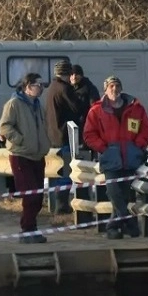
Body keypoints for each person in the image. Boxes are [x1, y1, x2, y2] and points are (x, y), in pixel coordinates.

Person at [83, 75, 148, 239]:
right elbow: (89, 134)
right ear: (105, 89)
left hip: (131, 158)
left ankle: (115, 227)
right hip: (110, 159)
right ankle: (127, 223)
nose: (114, 89)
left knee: (126, 194)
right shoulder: (96, 110)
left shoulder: (136, 108)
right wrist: (104, 148)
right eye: (111, 86)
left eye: (117, 86)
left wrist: (138, 145)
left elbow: (147, 129)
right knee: (114, 192)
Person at [0, 73, 52, 243]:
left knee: (38, 196)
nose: (41, 88)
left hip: (37, 155)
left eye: (42, 84)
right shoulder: (14, 104)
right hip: (21, 155)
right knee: (30, 195)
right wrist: (20, 139)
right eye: (37, 84)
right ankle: (26, 230)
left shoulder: (38, 105)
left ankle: (32, 228)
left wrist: (45, 142)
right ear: (27, 86)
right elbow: (4, 126)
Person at [44, 60, 81, 214]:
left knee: (59, 170)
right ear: (67, 74)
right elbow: (76, 107)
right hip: (64, 134)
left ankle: (59, 201)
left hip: (52, 135)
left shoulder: (51, 88)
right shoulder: (65, 89)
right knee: (66, 171)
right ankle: (62, 203)